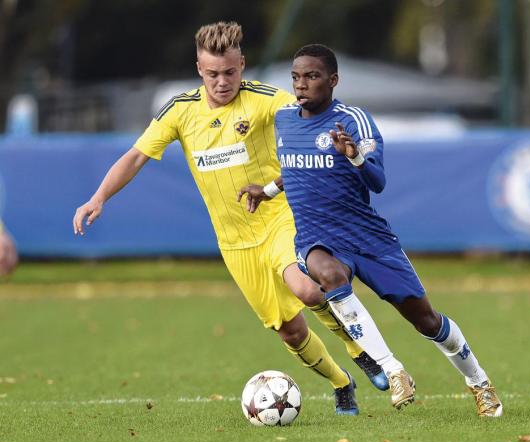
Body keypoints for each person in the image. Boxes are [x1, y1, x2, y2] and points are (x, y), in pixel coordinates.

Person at [72, 22, 404, 415]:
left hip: (280, 216)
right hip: (234, 241)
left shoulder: (266, 100)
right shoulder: (180, 111)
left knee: (307, 288)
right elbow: (136, 156)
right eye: (213, 73)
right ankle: (341, 382)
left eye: (230, 72)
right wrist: (99, 197)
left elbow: (310, 115)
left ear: (242, 65)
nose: (223, 81)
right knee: (290, 331)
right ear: (199, 69)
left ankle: (358, 349)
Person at [238, 44, 503, 417]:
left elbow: (377, 182)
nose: (301, 85)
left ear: (333, 80)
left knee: (426, 320)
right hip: (318, 238)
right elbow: (298, 169)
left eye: (312, 76)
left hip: (368, 239)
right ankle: (393, 369)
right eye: (296, 77)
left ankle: (480, 383)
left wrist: (355, 157)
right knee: (326, 275)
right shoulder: (284, 119)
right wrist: (266, 192)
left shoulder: (353, 121)